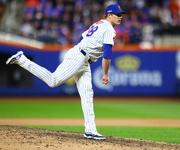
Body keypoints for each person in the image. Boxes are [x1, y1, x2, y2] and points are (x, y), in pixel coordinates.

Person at [6, 4, 126, 140]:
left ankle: (90, 130)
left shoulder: (98, 24)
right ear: (109, 15)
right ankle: (22, 60)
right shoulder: (109, 29)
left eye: (121, 14)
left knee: (87, 94)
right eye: (118, 14)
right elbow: (107, 55)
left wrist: (84, 50)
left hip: (83, 58)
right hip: (79, 56)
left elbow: (82, 38)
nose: (120, 17)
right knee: (53, 81)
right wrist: (105, 74)